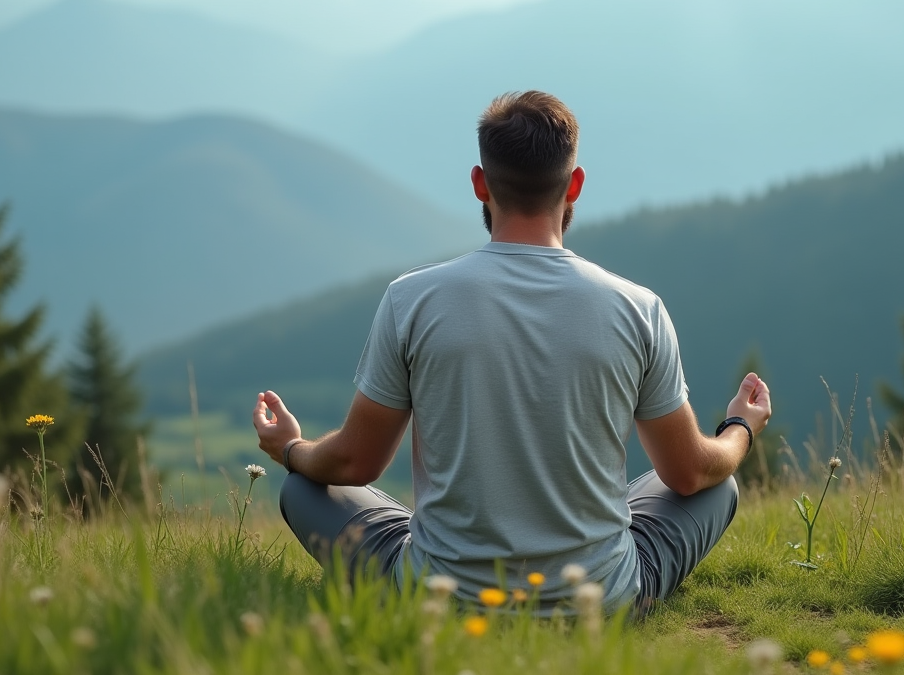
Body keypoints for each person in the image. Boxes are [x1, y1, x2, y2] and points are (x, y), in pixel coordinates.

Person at [252, 90, 771, 616]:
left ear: (480, 184)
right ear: (575, 184)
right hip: (598, 600)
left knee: (303, 489)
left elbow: (354, 461)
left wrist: (292, 449)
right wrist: (739, 430)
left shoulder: (411, 299)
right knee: (717, 486)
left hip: (440, 598)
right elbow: (689, 473)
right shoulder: (639, 309)